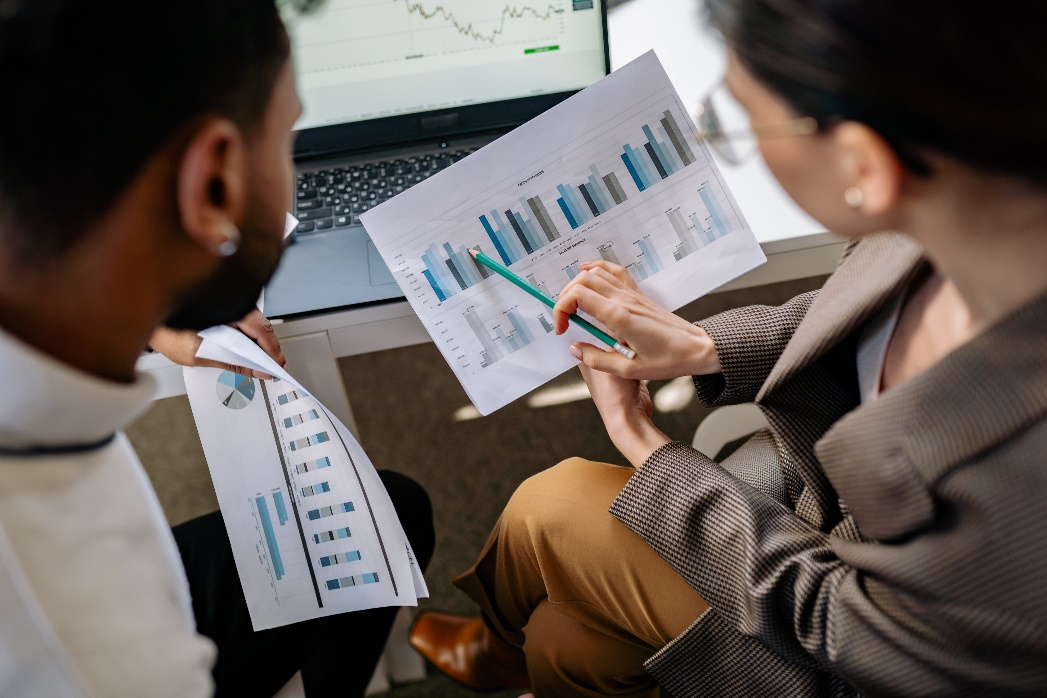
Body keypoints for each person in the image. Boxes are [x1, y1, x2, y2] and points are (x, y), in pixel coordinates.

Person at [408, 0, 1047, 695]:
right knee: (567, 642)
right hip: (824, 511)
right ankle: (509, 655)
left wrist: (646, 445)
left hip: (849, 649)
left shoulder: (1013, 483)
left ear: (864, 161)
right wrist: (700, 346)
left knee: (549, 507)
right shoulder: (966, 188)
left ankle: (497, 648)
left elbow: (836, 625)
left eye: (739, 122)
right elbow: (858, 316)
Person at [0, 1, 434, 696]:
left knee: (386, 510)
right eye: (285, 139)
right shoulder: (98, 659)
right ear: (213, 181)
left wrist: (154, 309)